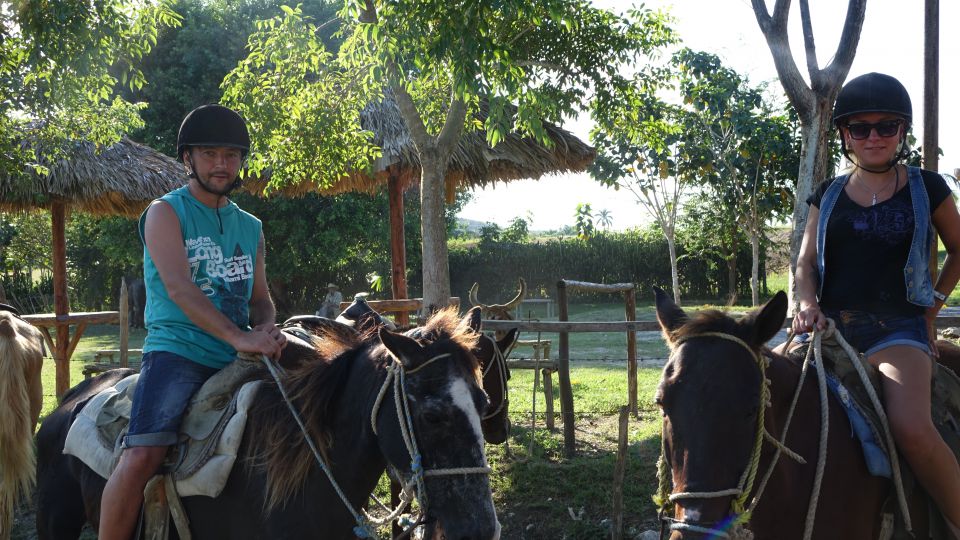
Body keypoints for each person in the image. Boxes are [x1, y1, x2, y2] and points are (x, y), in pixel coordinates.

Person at [99, 104, 287, 540]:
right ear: (188, 159)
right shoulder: (165, 212)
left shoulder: (251, 226)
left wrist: (264, 327)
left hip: (240, 352)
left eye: (232, 155)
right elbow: (182, 290)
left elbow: (260, 299)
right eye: (209, 154)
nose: (221, 164)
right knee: (144, 452)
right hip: (179, 352)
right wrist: (241, 337)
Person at [792, 72, 960, 535]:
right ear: (844, 134)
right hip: (829, 327)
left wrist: (931, 309)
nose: (873, 137)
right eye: (860, 128)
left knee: (910, 427)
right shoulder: (825, 195)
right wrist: (807, 305)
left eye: (886, 126)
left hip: (896, 329)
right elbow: (805, 263)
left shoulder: (927, 188)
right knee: (764, 400)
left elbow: (959, 247)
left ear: (902, 132)